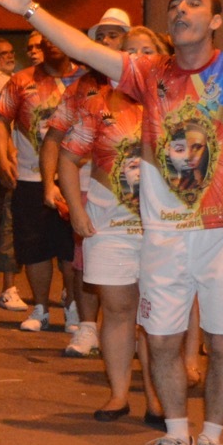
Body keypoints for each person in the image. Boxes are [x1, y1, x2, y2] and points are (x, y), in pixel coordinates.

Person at [0, 0, 223, 445]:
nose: (180, 9)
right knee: (160, 341)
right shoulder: (149, 72)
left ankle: (212, 444)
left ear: (215, 20)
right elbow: (85, 50)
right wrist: (30, 10)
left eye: (194, 3)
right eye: (175, 3)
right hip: (163, 236)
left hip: (222, 236)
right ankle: (177, 436)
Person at [55, 50, 153, 421]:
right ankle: (119, 395)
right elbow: (68, 158)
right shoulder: (97, 106)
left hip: (162, 225)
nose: (140, 61)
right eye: (134, 53)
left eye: (148, 52)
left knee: (156, 315)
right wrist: (76, 210)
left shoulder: (173, 103)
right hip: (111, 223)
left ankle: (158, 398)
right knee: (117, 309)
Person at [0, 20, 83, 333]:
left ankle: (72, 308)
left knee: (72, 250)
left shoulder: (87, 77)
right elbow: (1, 120)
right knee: (35, 247)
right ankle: (41, 308)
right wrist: (2, 158)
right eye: (46, 40)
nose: (52, 44)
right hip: (30, 179)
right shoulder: (22, 80)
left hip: (77, 180)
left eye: (57, 38)